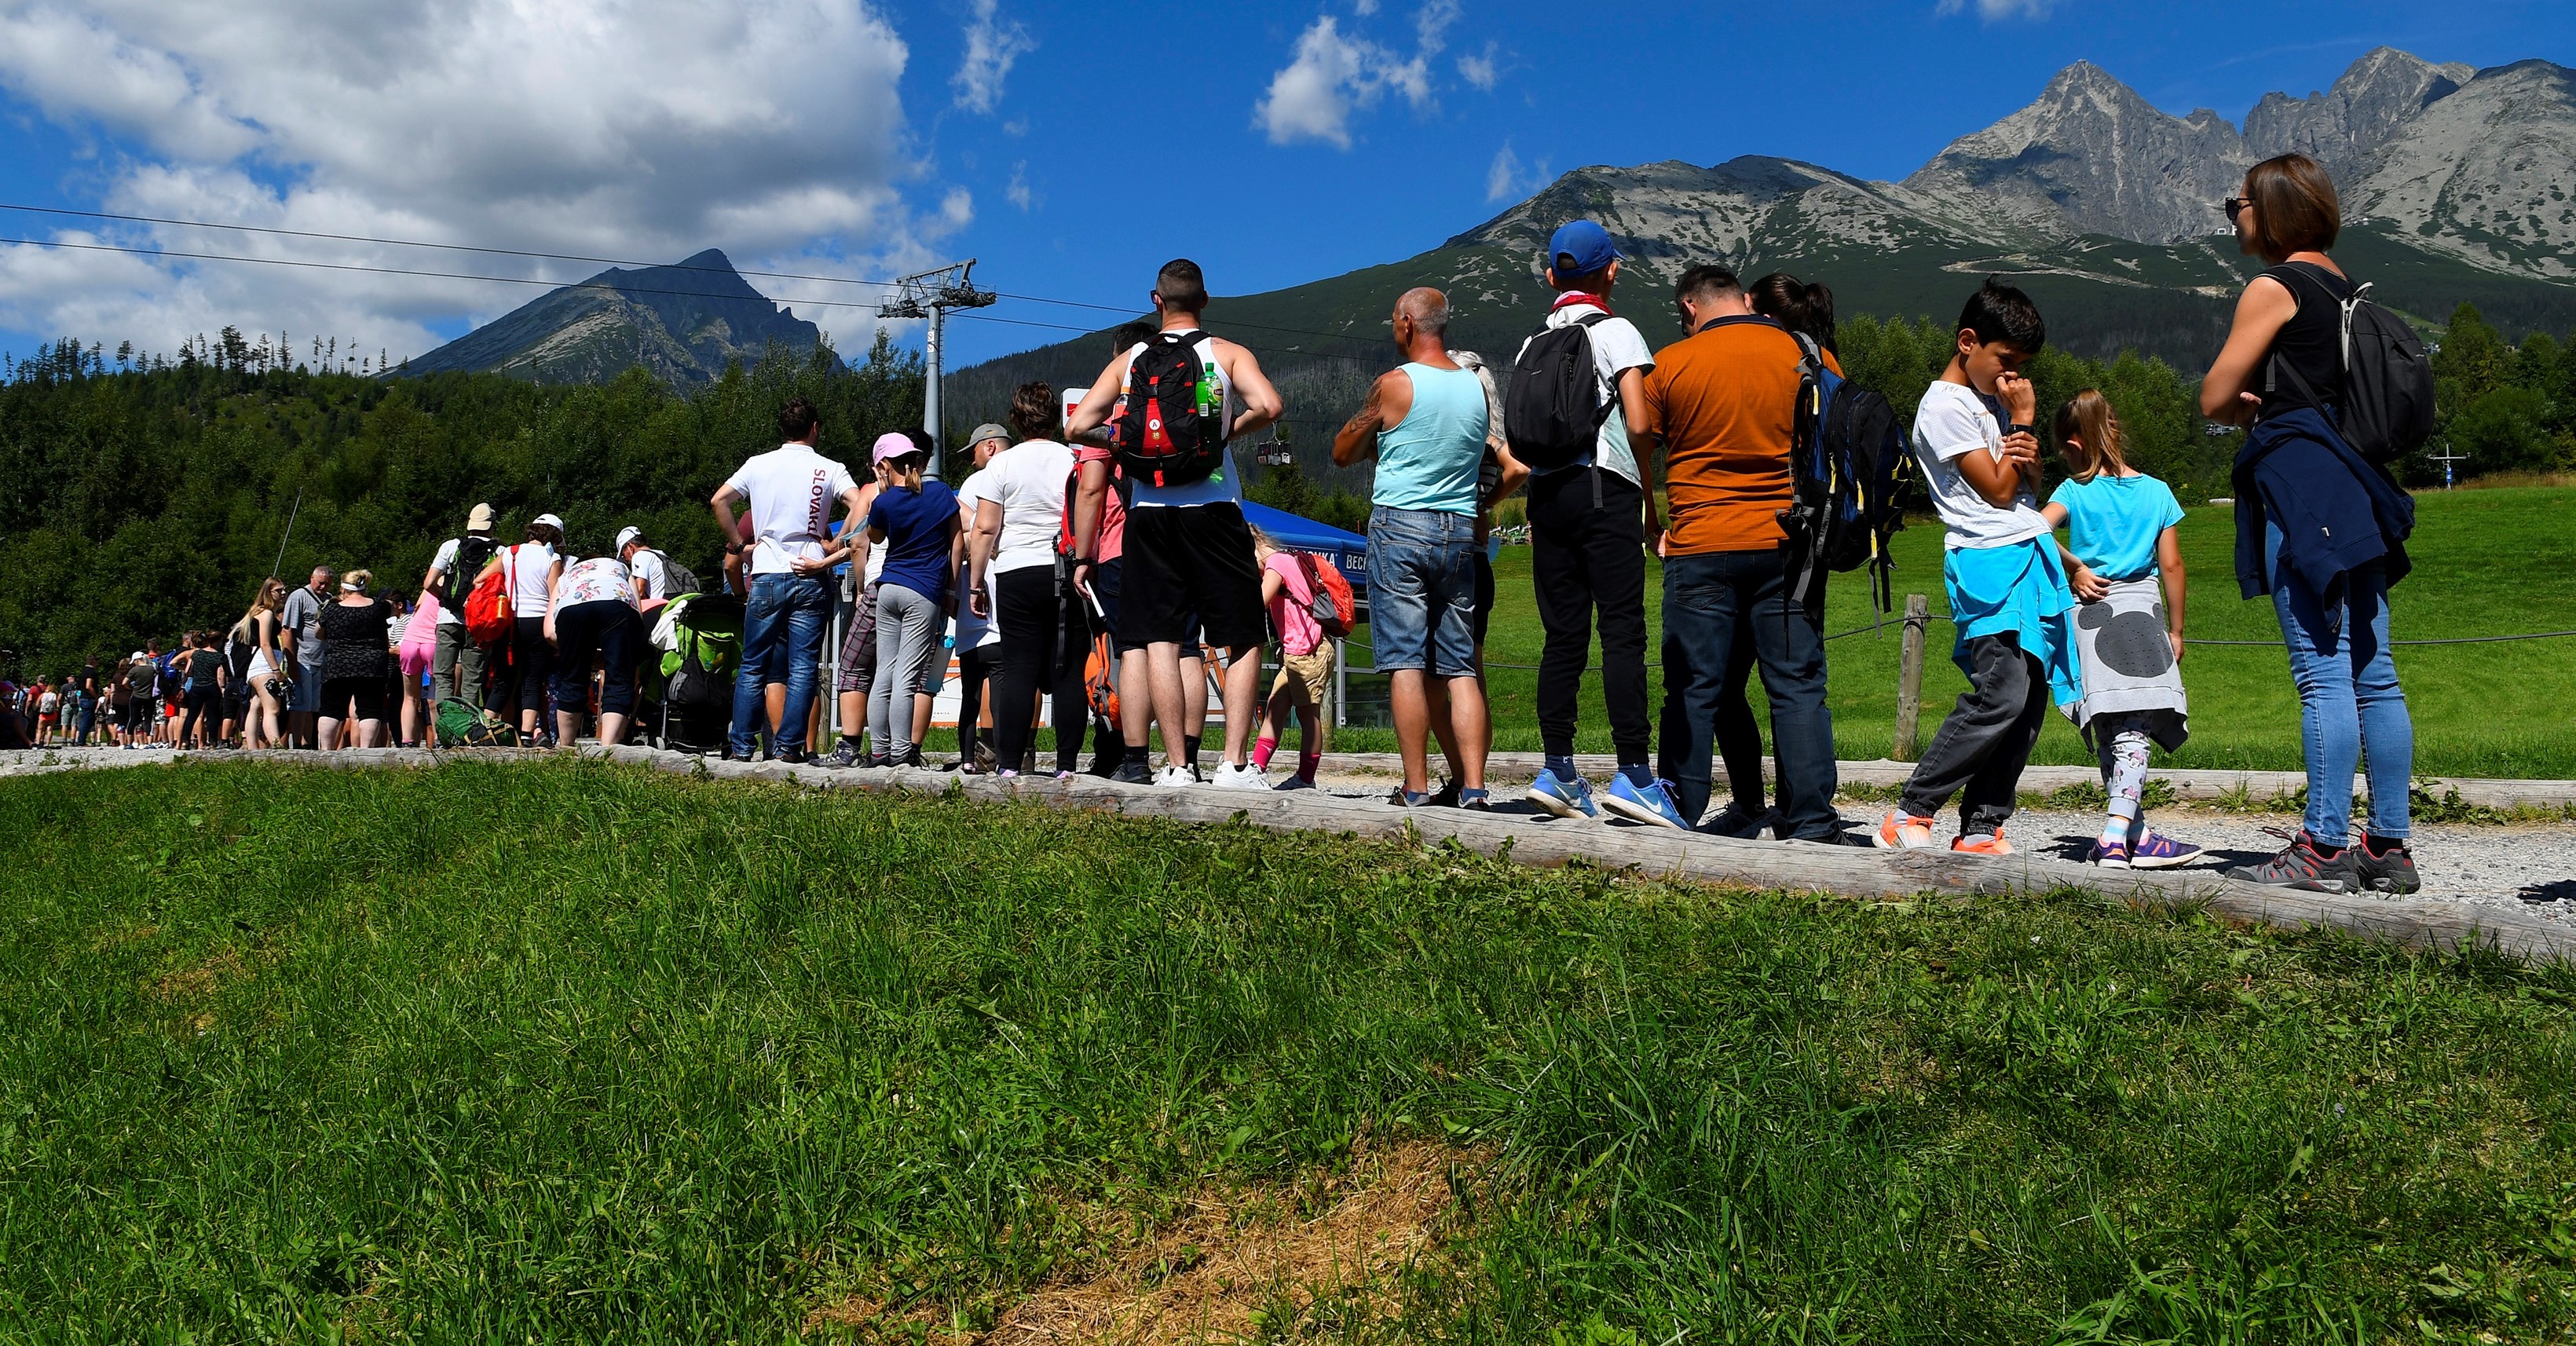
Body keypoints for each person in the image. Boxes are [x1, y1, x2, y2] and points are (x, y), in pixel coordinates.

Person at [2201, 152, 2419, 895]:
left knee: (2321, 673)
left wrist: (2243, 406)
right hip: (2355, 488)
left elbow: (2214, 395)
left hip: (2301, 489)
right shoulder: (2343, 288)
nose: (2235, 218)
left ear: (2271, 210)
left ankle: (2323, 850)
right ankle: (2388, 847)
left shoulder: (2274, 286)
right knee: (2375, 675)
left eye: (2239, 206)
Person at [1877, 279, 2098, 852]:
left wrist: (2020, 437)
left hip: (2027, 553)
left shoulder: (1987, 404)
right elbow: (2002, 490)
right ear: (1968, 342)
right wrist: (2023, 422)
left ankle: (1983, 824)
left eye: (2021, 367)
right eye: (2006, 361)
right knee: (2000, 690)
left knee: (2028, 700)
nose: (2012, 377)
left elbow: (2029, 485)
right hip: (1987, 559)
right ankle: (1912, 811)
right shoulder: (1944, 406)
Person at [1634, 263, 1841, 839]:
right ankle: (1812, 824)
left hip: (1701, 543)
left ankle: (1680, 806)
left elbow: (1638, 444)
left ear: (1691, 308)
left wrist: (1654, 521)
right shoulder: (1807, 355)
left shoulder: (1669, 364)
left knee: (1696, 686)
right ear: (1743, 300)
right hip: (1787, 544)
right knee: (1796, 685)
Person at [1064, 258, 1286, 789]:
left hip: (1150, 513)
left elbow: (1077, 424)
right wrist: (1229, 429)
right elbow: (1271, 405)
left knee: (1161, 639)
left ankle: (1178, 767)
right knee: (1241, 635)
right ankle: (1234, 765)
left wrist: (1122, 440)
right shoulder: (1226, 353)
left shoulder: (1132, 359)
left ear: (1156, 301)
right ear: (1205, 301)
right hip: (1214, 507)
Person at [1513, 221, 1661, 820]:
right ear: (1612, 271)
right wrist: (1651, 497)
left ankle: (1558, 769)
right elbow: (1641, 423)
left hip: (1546, 497)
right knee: (1622, 630)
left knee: (1563, 635)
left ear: (1552, 277)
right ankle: (1634, 775)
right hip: (1604, 488)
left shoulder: (1530, 344)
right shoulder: (1618, 331)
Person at [1332, 287, 1494, 808]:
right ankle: (1473, 787)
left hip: (1401, 526)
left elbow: (1341, 452)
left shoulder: (1394, 384)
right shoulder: (1474, 389)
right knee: (1461, 666)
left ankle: (1417, 787)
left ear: (1407, 322)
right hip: (1461, 529)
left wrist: (1373, 429)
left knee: (1405, 661)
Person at [1703, 273, 1843, 835]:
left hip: (1739, 533)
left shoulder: (1756, 357)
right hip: (1807, 539)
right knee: (1797, 682)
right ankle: (1805, 812)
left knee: (1720, 679)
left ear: (1753, 309)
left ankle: (1750, 802)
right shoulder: (1823, 360)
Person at [2043, 390, 2203, 869]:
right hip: (2141, 615)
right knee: (2135, 724)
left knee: (2114, 724)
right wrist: (2177, 631)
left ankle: (2136, 833)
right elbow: (2172, 566)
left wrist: (2075, 569)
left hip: (2089, 615)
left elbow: (2034, 529)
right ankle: (2115, 836)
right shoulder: (2157, 492)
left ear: (2074, 443)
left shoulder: (2071, 492)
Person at [714, 397, 866, 764]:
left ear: (783, 430)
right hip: (810, 569)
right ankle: (789, 749)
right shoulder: (829, 467)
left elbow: (719, 501)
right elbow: (861, 500)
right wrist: (838, 541)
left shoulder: (758, 465)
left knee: (754, 663)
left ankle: (742, 747)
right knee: (803, 667)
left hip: (767, 571)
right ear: (814, 429)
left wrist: (740, 545)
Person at [967, 387, 1087, 779]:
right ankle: (1067, 764)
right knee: (1069, 669)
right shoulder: (1074, 458)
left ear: (1016, 421)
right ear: (1056, 418)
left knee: (1018, 668)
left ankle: (1009, 764)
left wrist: (974, 583)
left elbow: (984, 528)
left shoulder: (1001, 466)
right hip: (1067, 567)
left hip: (1016, 569)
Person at [1066, 324, 1157, 785]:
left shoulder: (1109, 417)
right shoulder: (1174, 410)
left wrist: (1083, 557)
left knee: (1120, 651)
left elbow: (1091, 489)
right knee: (1174, 649)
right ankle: (1184, 757)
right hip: (1168, 544)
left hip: (1118, 551)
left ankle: (1125, 752)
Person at [912, 422, 1013, 774]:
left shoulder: (977, 484)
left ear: (989, 448)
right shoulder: (1022, 476)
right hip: (1012, 599)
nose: (971, 461)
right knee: (1008, 687)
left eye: (972, 452)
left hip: (976, 606)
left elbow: (964, 535)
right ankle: (1012, 755)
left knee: (970, 692)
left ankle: (970, 758)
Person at [864, 430, 960, 767]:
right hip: (924, 591)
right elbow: (956, 541)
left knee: (884, 673)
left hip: (888, 588)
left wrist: (884, 489)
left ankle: (879, 750)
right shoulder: (941, 493)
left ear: (886, 466)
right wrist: (951, 588)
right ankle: (902, 753)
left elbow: (874, 537)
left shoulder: (884, 502)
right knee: (908, 675)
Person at [1250, 527, 1332, 790]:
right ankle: (1258, 768)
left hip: (1308, 651)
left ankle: (1306, 779)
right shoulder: (1287, 559)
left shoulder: (1276, 563)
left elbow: (1259, 601)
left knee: (1308, 715)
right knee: (1275, 709)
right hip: (1297, 652)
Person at [477, 516, 564, 738]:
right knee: (532, 680)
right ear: (554, 536)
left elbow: (480, 580)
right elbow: (556, 595)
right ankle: (526, 734)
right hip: (537, 622)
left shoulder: (511, 552)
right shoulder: (552, 558)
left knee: (502, 680)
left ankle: (484, 730)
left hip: (509, 622)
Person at [547, 549, 643, 747]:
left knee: (572, 680)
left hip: (573, 609)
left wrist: (585, 652)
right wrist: (608, 651)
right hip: (617, 605)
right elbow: (637, 615)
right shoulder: (621, 568)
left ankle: (566, 748)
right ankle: (608, 749)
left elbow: (550, 633)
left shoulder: (567, 576)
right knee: (618, 680)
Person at [421, 505, 501, 708]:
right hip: (480, 624)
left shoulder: (450, 546)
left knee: (444, 677)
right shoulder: (500, 551)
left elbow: (429, 583)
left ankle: (445, 730)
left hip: (448, 619)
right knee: (472, 681)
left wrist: (447, 600)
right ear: (491, 525)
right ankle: (468, 731)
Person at [317, 571, 393, 749]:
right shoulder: (379, 607)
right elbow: (391, 606)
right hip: (371, 665)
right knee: (369, 710)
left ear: (343, 588)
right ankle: (367, 750)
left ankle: (326, 750)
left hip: (338, 664)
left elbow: (319, 633)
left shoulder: (332, 609)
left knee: (331, 709)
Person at [234, 580, 291, 750]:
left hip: (259, 665)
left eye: (284, 590)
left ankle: (252, 747)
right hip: (265, 664)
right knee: (272, 708)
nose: (283, 593)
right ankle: (277, 746)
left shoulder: (260, 612)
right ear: (268, 592)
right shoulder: (266, 614)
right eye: (278, 590)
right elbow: (265, 643)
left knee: (256, 706)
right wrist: (276, 670)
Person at [281, 566, 332, 747]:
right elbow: (287, 630)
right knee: (300, 705)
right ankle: (295, 743)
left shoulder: (329, 599)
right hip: (303, 659)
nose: (323, 587)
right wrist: (291, 662)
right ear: (312, 578)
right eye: (320, 583)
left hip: (321, 659)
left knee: (312, 707)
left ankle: (308, 743)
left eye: (327, 584)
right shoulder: (299, 596)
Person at [177, 631, 225, 748]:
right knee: (212, 715)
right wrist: (222, 688)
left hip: (197, 686)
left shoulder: (197, 654)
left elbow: (188, 670)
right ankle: (213, 742)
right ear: (217, 642)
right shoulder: (219, 656)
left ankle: (185, 741)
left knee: (192, 715)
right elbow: (220, 674)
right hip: (212, 686)